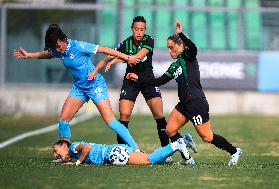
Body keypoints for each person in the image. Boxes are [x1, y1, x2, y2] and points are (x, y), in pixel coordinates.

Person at [126, 20, 242, 166]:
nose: (169, 51)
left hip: (196, 103)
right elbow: (159, 81)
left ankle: (235, 151)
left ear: (181, 46)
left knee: (207, 137)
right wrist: (138, 78)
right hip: (184, 104)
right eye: (167, 48)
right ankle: (187, 157)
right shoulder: (174, 66)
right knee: (170, 130)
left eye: (171, 47)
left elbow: (193, 47)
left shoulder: (188, 56)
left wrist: (181, 34)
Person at [13, 24, 140, 151]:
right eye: (55, 48)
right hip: (79, 88)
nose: (58, 50)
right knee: (63, 121)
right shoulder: (58, 51)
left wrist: (128, 58)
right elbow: (48, 54)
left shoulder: (78, 46)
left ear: (63, 40)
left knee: (110, 121)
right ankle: (65, 153)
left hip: (95, 85)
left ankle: (136, 149)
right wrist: (29, 55)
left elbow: (105, 50)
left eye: (58, 46)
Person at [90, 16, 190, 158]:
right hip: (130, 80)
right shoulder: (126, 43)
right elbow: (107, 57)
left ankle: (166, 153)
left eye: (141, 29)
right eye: (136, 29)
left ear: (145, 30)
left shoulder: (149, 40)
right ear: (132, 29)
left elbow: (137, 57)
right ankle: (124, 152)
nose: (139, 32)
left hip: (148, 79)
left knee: (159, 114)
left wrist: (117, 59)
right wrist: (95, 70)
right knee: (124, 115)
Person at [52, 136, 191, 166]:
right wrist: (63, 160)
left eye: (55, 150)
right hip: (115, 150)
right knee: (149, 158)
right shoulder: (71, 152)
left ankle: (176, 145)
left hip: (113, 154)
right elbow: (69, 157)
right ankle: (183, 143)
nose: (55, 154)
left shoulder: (72, 147)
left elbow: (87, 149)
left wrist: (76, 163)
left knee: (149, 161)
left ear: (64, 146)